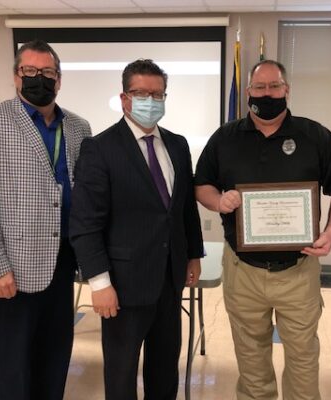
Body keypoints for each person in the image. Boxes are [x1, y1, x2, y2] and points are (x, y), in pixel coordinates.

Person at [195, 59, 331, 400]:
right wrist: (219, 201)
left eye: (274, 86)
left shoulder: (315, 136)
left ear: (287, 90)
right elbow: (202, 185)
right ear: (248, 91)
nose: (267, 94)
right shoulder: (225, 138)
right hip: (243, 272)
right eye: (259, 88)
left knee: (303, 359)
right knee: (251, 361)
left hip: (298, 270)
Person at [0, 40, 91, 400]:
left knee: (55, 357)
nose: (38, 79)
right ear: (16, 77)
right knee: (15, 366)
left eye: (47, 73)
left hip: (63, 262)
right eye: (29, 71)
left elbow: (88, 194)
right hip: (11, 269)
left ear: (59, 80)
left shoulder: (79, 127)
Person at [69, 59, 204, 400]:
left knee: (164, 369)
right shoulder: (100, 149)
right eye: (140, 93)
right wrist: (99, 283)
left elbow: (185, 208)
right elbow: (86, 224)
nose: (150, 101)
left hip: (169, 281)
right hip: (123, 286)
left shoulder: (177, 144)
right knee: (122, 373)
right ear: (124, 98)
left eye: (157, 94)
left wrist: (192, 255)